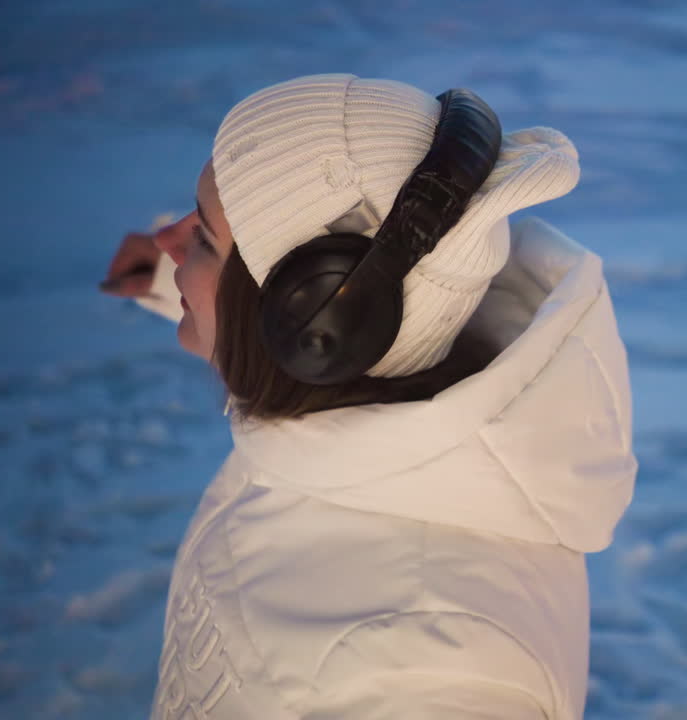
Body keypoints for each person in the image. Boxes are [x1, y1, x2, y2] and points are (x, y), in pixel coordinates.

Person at [100, 74, 637, 720]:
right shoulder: (357, 414)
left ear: (313, 324)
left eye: (205, 240)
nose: (167, 239)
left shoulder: (429, 673)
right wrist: (177, 284)